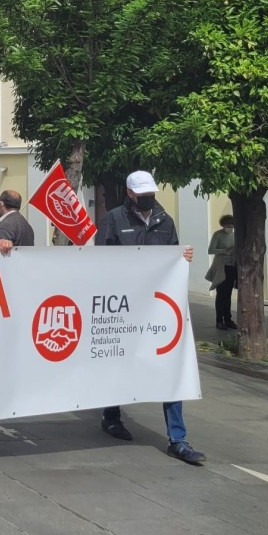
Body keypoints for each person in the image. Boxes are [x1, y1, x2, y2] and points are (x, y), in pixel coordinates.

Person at [97, 170, 206, 465]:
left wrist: (182, 259)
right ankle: (111, 415)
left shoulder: (164, 220)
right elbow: (100, 260)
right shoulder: (115, 219)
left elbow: (173, 255)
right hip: (124, 306)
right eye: (142, 193)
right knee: (119, 360)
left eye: (151, 192)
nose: (148, 198)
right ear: (130, 193)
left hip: (158, 306)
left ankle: (178, 439)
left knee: (169, 364)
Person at [207, 214, 238, 330]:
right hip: (221, 267)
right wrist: (224, 250)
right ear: (223, 225)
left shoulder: (235, 235)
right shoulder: (218, 235)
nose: (230, 227)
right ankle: (219, 320)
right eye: (227, 225)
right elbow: (210, 250)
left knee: (228, 295)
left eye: (231, 225)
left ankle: (228, 319)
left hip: (231, 267)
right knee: (221, 295)